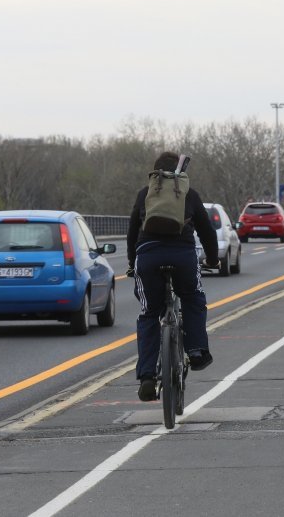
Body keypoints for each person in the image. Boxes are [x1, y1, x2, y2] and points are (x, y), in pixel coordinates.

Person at [126, 151, 220, 402]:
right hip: (183, 256)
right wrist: (212, 260)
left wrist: (131, 264)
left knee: (148, 313)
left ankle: (147, 376)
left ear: (155, 173)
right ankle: (197, 350)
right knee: (193, 298)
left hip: (148, 256)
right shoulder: (189, 193)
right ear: (179, 174)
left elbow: (132, 233)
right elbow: (208, 232)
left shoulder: (144, 194)